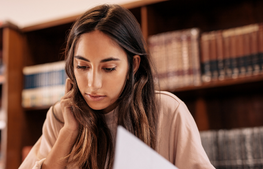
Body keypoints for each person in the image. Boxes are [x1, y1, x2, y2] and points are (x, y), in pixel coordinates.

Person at [19, 4, 215, 169]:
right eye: (82, 66)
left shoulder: (168, 111)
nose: (92, 83)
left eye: (109, 68)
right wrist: (69, 132)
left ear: (134, 65)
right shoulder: (61, 116)